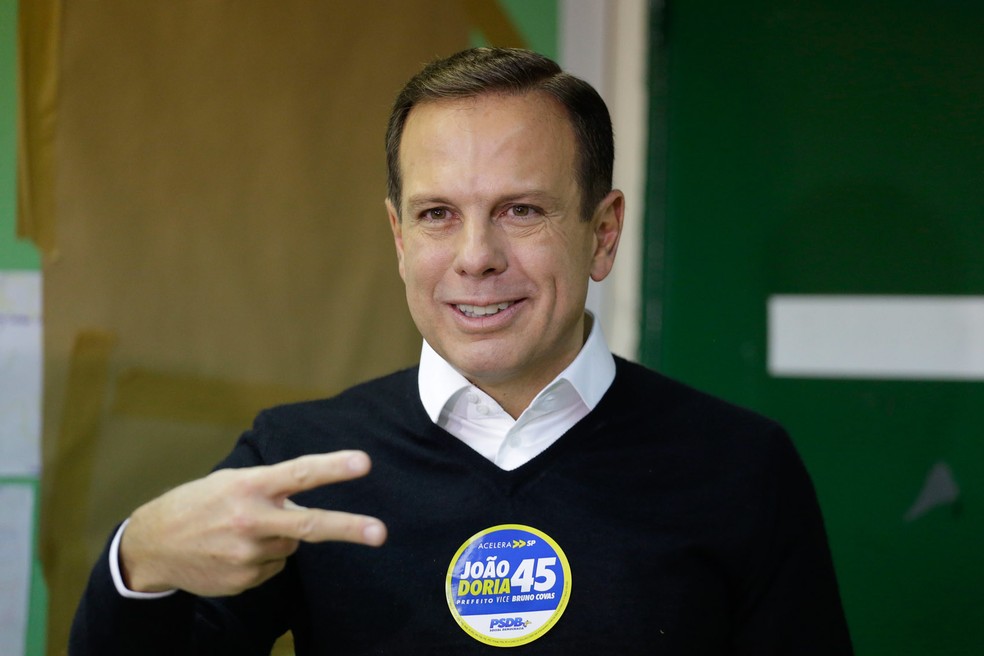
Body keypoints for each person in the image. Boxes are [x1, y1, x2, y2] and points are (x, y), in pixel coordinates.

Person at [70, 47, 853, 654]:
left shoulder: (739, 467)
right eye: (439, 214)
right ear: (398, 238)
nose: (476, 256)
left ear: (603, 231)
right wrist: (138, 561)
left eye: (520, 209)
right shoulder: (297, 462)